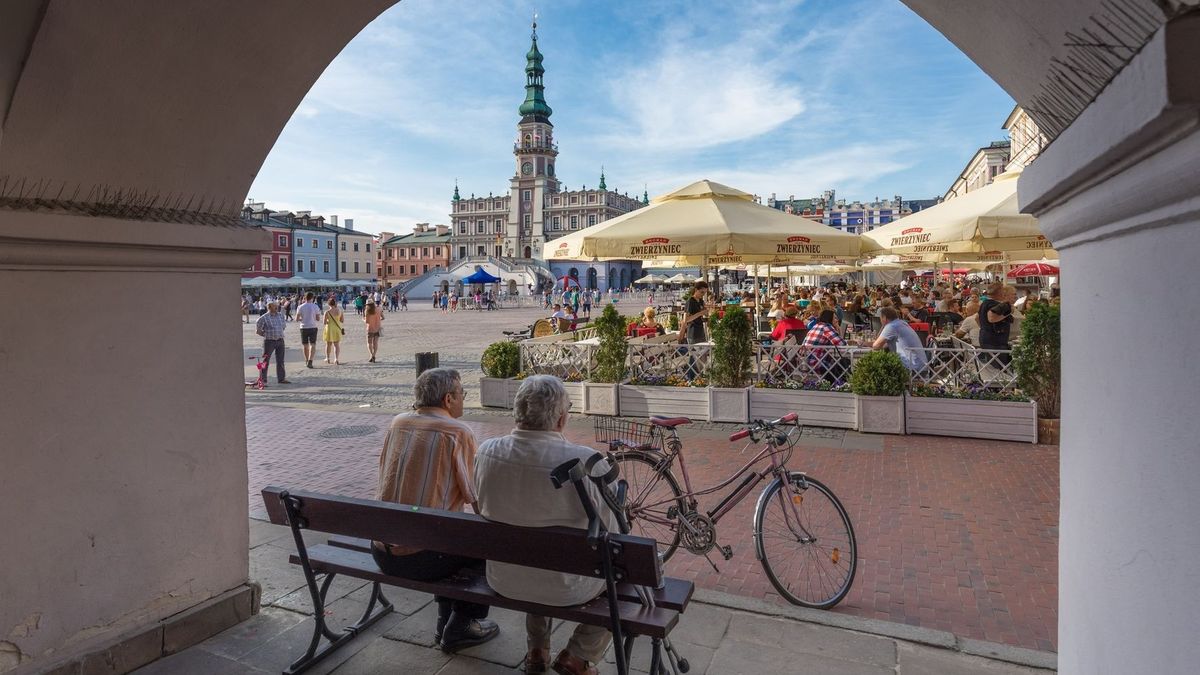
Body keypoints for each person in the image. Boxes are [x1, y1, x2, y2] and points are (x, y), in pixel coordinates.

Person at [474, 376, 617, 675]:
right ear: (562, 418)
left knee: (529, 550)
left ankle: (537, 649)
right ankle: (579, 654)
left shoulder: (486, 452)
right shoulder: (587, 462)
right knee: (623, 571)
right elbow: (614, 530)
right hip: (568, 588)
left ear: (517, 412)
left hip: (504, 577)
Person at [373, 368, 499, 652]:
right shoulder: (457, 432)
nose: (464, 399)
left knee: (445, 531)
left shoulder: (398, 423)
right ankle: (462, 623)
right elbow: (476, 499)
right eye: (462, 394)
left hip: (381, 550)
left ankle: (445, 619)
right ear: (448, 399)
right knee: (487, 542)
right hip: (422, 558)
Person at [872, 306, 928, 372]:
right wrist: (864, 343)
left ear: (884, 318)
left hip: (911, 368)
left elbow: (876, 346)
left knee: (876, 367)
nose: (880, 320)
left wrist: (883, 326)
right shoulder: (902, 323)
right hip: (922, 366)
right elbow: (884, 344)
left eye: (880, 318)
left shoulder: (891, 326)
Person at [680, 280, 711, 380]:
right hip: (692, 333)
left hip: (701, 331)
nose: (703, 295)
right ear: (696, 290)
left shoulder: (700, 301)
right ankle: (691, 378)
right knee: (693, 357)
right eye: (702, 292)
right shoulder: (690, 301)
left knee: (702, 356)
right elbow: (686, 319)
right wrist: (701, 313)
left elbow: (701, 315)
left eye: (705, 293)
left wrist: (706, 315)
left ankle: (700, 377)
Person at [254, 302, 290, 384]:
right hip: (269, 341)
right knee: (265, 361)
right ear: (269, 307)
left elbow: (283, 326)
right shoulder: (264, 318)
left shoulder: (280, 315)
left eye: (276, 306)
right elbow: (258, 330)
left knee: (280, 361)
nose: (276, 307)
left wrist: (278, 332)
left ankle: (281, 379)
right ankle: (263, 379)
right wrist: (266, 334)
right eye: (274, 306)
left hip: (280, 340)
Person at [979, 283, 1015, 350]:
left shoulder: (985, 303)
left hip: (986, 338)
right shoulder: (996, 304)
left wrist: (985, 328)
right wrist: (1008, 312)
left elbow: (976, 318)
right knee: (999, 360)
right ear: (1000, 292)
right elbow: (991, 318)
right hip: (995, 342)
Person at [295, 292, 322, 369]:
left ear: (305, 297)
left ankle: (306, 360)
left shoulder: (300, 307)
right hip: (313, 326)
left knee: (305, 345)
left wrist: (302, 318)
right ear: (312, 298)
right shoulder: (315, 306)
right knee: (312, 344)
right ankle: (310, 360)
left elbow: (297, 319)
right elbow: (318, 319)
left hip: (303, 327)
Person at [322, 297, 345, 364]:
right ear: (335, 303)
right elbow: (342, 320)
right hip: (337, 329)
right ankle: (336, 359)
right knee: (336, 345)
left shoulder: (327, 312)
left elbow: (324, 322)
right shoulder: (340, 311)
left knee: (328, 344)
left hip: (329, 329)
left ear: (328, 304)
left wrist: (329, 321)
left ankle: (328, 358)